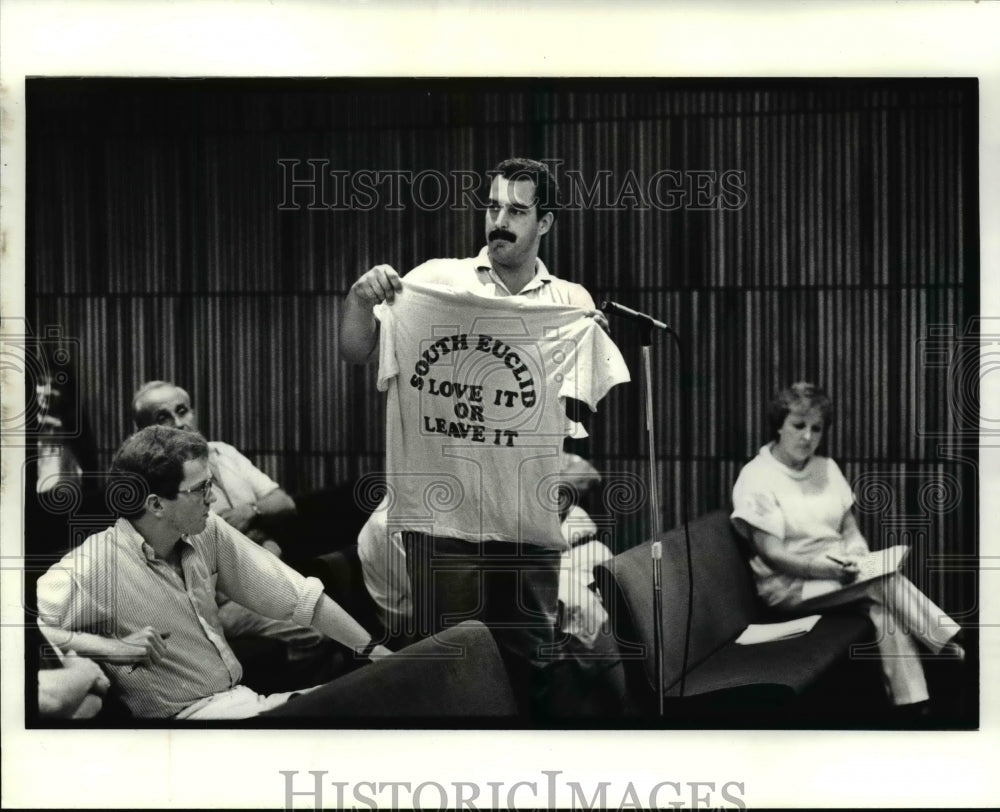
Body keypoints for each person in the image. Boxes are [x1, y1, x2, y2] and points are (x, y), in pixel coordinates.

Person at [340, 158, 629, 717]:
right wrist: (358, 299)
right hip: (441, 519)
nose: (500, 220)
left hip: (527, 516)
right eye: (494, 206)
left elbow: (580, 398)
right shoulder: (429, 284)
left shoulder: (570, 303)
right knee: (453, 670)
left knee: (534, 664)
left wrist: (588, 341)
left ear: (545, 222)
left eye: (517, 211)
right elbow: (357, 352)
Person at [36, 425, 391, 719]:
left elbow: (300, 597)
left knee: (377, 695)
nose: (212, 497)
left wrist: (376, 655)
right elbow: (19, 627)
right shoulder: (95, 563)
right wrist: (109, 648)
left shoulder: (206, 530)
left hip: (245, 702)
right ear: (156, 504)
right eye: (200, 489)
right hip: (189, 728)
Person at [730, 382, 964, 715]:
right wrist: (825, 570)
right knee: (882, 580)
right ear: (779, 425)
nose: (808, 437)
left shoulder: (826, 468)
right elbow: (772, 553)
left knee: (883, 612)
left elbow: (848, 526)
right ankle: (946, 647)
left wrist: (856, 552)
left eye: (816, 428)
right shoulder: (756, 476)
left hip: (838, 575)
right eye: (798, 425)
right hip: (788, 586)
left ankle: (913, 705)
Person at [132, 381, 327, 655]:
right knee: (320, 632)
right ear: (144, 431)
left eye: (182, 411)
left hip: (268, 577)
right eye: (163, 418)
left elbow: (284, 503)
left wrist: (251, 511)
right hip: (218, 602)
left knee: (336, 619)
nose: (179, 423)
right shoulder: (150, 486)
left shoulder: (222, 452)